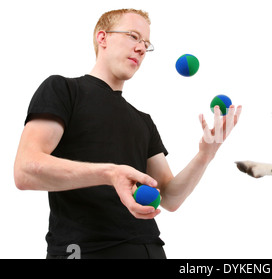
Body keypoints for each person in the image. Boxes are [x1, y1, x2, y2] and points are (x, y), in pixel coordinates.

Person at [13, 8, 242, 259]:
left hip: (150, 250)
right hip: (85, 250)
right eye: (133, 36)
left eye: (146, 43)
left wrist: (205, 154)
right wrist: (110, 174)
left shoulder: (143, 121)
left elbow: (170, 197)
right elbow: (25, 170)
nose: (142, 48)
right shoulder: (64, 90)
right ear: (103, 38)